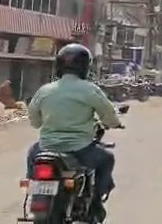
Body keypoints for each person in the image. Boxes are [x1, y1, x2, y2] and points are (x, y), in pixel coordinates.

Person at [26, 44, 123, 218]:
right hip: (80, 148)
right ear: (85, 66)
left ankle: (35, 188)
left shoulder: (45, 90)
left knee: (32, 155)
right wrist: (115, 123)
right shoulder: (90, 89)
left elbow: (35, 121)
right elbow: (109, 116)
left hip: (46, 147)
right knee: (107, 158)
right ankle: (96, 200)